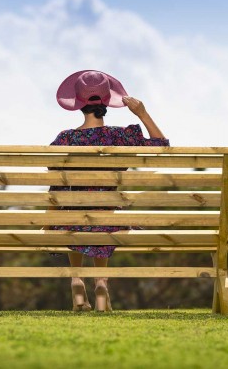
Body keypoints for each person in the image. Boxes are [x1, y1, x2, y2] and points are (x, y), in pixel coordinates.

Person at [49, 70, 169, 312]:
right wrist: (142, 113)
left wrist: (49, 216)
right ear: (107, 101)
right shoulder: (120, 136)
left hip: (71, 219)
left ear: (78, 103)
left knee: (72, 214)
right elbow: (161, 146)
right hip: (109, 217)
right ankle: (101, 283)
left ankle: (76, 279)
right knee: (105, 215)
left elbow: (55, 181)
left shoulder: (65, 139)